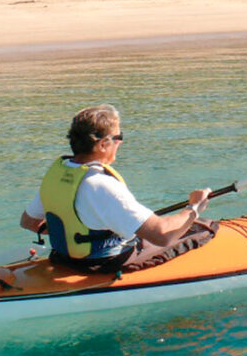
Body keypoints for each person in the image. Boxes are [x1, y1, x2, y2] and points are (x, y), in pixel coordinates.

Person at [20, 104, 216, 274]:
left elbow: (28, 221)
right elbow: (162, 235)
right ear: (103, 144)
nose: (120, 142)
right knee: (203, 228)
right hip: (102, 264)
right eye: (118, 137)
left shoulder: (59, 175)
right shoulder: (102, 184)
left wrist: (67, 233)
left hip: (63, 258)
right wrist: (194, 208)